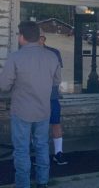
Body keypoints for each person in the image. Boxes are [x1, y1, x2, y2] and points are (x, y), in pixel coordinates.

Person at [0, 22, 61, 188]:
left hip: (22, 111)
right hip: (43, 110)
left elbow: (4, 86)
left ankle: (23, 184)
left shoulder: (15, 57)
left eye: (19, 35)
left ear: (23, 37)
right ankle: (43, 182)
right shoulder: (52, 56)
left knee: (21, 150)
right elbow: (56, 81)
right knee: (41, 146)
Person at [39, 33, 67, 166]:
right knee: (37, 126)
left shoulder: (54, 52)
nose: (39, 39)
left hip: (51, 95)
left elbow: (58, 76)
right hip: (35, 97)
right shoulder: (26, 53)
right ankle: (39, 155)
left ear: (44, 38)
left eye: (40, 37)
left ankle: (58, 153)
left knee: (56, 123)